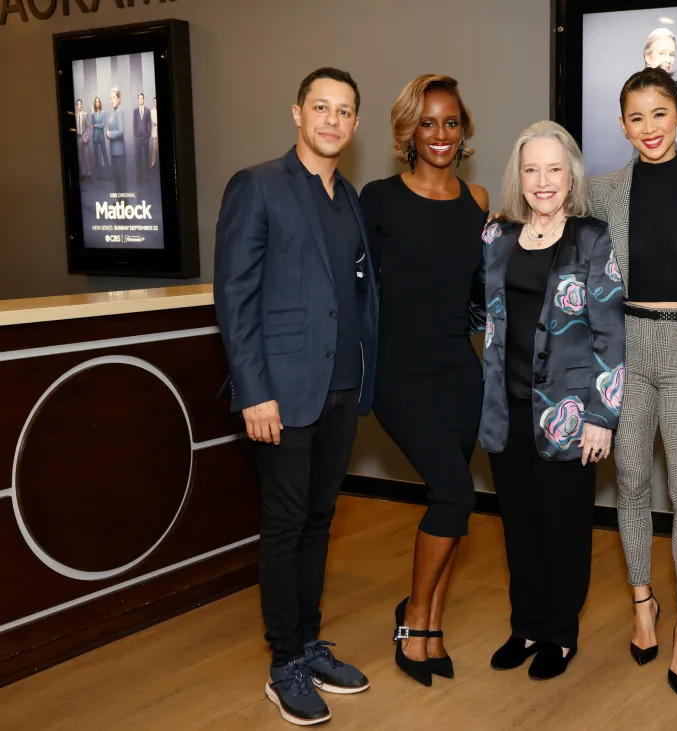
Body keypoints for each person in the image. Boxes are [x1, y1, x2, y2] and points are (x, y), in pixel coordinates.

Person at [214, 67, 378, 726]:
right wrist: (254, 391)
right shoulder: (257, 185)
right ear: (297, 113)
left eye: (344, 110)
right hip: (280, 393)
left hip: (339, 388)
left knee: (318, 520)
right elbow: (235, 298)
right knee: (284, 526)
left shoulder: (349, 198)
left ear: (355, 123)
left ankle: (308, 644)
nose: (332, 120)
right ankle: (284, 662)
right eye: (321, 107)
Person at [588, 66, 677, 696]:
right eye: (636, 117)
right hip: (624, 350)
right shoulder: (600, 194)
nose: (649, 127)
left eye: (659, 113)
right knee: (629, 484)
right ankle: (643, 603)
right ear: (623, 125)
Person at [479, 120, 625, 681]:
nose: (543, 181)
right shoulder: (497, 236)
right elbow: (480, 309)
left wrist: (601, 416)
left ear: (571, 176)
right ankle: (526, 625)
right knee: (518, 525)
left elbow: (611, 334)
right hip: (506, 409)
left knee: (562, 527)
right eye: (532, 170)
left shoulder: (592, 237)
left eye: (554, 169)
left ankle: (560, 634)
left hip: (569, 414)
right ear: (519, 176)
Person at [358, 74, 489, 688]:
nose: (440, 134)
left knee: (448, 498)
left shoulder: (477, 201)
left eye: (451, 122)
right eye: (428, 123)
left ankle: (433, 624)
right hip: (399, 372)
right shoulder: (379, 198)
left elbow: (482, 290)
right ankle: (412, 618)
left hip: (460, 370)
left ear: (463, 131)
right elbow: (352, 286)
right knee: (457, 495)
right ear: (409, 131)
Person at [106, 87, 126, 194]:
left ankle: (124, 201)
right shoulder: (113, 112)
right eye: (111, 98)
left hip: (119, 151)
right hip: (113, 150)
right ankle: (119, 200)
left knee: (121, 179)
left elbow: (121, 131)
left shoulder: (119, 111)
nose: (112, 100)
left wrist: (110, 134)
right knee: (116, 178)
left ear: (118, 99)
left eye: (114, 97)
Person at [133, 92, 152, 181]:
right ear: (138, 100)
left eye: (142, 98)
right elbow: (134, 124)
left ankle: (146, 174)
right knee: (138, 156)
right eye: (139, 98)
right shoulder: (135, 111)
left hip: (145, 137)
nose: (140, 100)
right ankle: (139, 174)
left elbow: (149, 123)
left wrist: (148, 134)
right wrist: (136, 135)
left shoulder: (147, 111)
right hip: (138, 137)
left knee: (146, 156)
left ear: (143, 99)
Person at [90, 97, 108, 180]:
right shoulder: (93, 114)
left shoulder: (103, 113)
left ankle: (108, 174)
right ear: (95, 103)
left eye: (98, 102)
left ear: (100, 103)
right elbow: (92, 123)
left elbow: (103, 124)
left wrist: (96, 125)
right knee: (96, 156)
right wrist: (92, 114)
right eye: (96, 102)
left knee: (105, 154)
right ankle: (98, 175)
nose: (97, 103)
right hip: (95, 137)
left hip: (101, 136)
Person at [75, 99, 92, 180]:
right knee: (81, 157)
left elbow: (89, 127)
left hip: (85, 138)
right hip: (79, 138)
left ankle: (89, 174)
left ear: (82, 105)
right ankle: (83, 173)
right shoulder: (75, 116)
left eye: (80, 104)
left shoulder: (85, 115)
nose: (80, 105)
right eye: (78, 104)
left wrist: (87, 137)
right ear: (76, 106)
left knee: (86, 156)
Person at [150, 96, 158, 170]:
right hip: (155, 132)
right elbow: (154, 121)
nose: (155, 103)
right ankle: (153, 162)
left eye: (156, 102)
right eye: (154, 102)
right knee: (154, 149)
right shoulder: (152, 111)